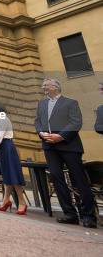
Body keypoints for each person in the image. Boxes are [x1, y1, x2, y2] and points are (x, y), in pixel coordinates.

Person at [34, 78, 97, 228]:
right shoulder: (41, 104)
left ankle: (88, 216)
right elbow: (38, 121)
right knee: (56, 178)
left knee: (78, 180)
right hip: (49, 146)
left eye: (46, 86)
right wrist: (41, 133)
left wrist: (60, 136)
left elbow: (76, 122)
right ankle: (70, 214)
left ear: (55, 87)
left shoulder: (70, 102)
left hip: (68, 145)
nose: (43, 88)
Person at [0, 103, 27, 215]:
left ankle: (22, 202)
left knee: (12, 174)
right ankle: (6, 200)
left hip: (7, 147)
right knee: (7, 175)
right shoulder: (1, 120)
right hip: (4, 148)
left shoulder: (3, 119)